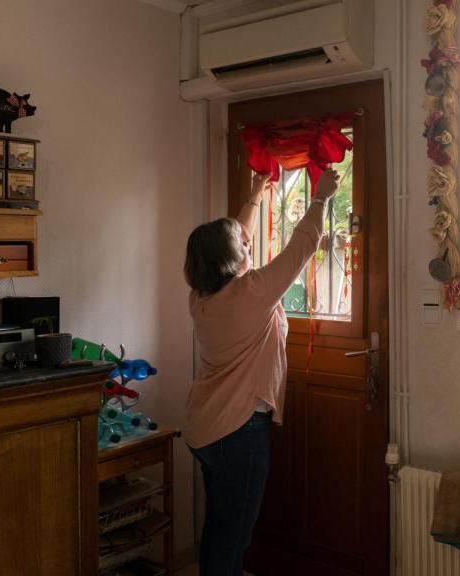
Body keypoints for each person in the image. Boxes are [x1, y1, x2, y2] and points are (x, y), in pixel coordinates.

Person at [183, 168, 339, 576]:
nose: (248, 247)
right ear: (234, 260)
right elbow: (301, 247)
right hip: (237, 432)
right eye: (242, 247)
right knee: (233, 536)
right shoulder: (251, 293)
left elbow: (237, 241)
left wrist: (254, 194)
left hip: (204, 429)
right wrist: (320, 196)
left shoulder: (200, 296)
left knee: (219, 526)